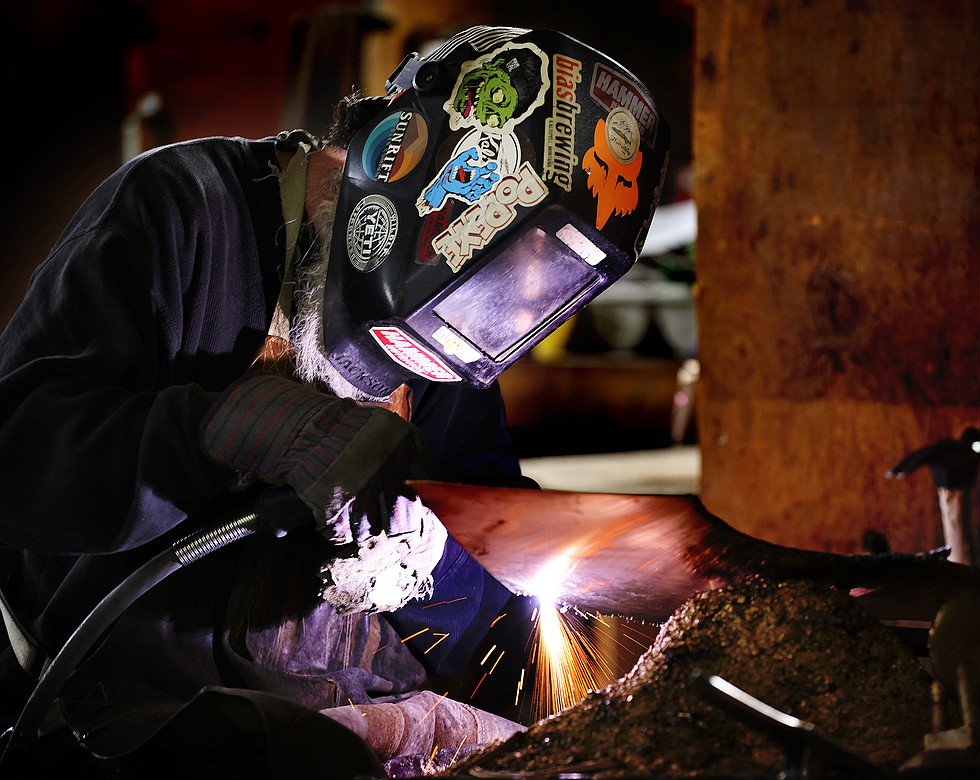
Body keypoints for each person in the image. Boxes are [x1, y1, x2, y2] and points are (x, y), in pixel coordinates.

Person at [0, 24, 670, 779]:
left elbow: (502, 613)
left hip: (353, 739)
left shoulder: (453, 354)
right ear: (414, 159)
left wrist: (433, 572)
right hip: (125, 727)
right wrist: (224, 430)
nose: (455, 340)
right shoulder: (183, 211)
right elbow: (18, 458)